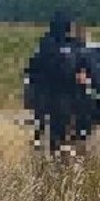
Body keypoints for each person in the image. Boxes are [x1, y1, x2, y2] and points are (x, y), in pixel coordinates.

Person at [36, 12, 82, 154]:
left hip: (61, 89)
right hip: (57, 89)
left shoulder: (50, 42)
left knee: (61, 123)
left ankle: (59, 149)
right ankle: (56, 150)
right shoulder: (51, 43)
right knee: (58, 124)